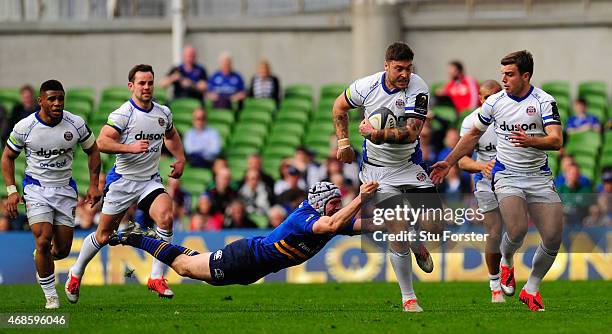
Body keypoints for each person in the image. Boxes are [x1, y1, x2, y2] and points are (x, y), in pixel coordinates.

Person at [431, 50, 564, 312]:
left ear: (526, 76)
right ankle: (506, 261)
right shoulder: (495, 103)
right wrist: (448, 161)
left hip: (538, 176)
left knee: (553, 237)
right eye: (502, 73)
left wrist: (532, 141)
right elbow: (471, 136)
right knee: (516, 230)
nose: (504, 79)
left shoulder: (544, 102)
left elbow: (557, 140)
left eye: (510, 74)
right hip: (506, 174)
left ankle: (531, 289)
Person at [66, 64, 186, 302]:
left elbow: (171, 135)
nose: (147, 87)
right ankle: (75, 272)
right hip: (122, 182)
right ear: (131, 86)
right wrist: (129, 147)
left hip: (149, 181)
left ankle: (156, 278)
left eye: (150, 82)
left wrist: (180, 158)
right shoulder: (123, 114)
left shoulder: (163, 113)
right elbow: (101, 142)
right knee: (103, 235)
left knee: (166, 216)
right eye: (142, 83)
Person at [333, 42, 439, 312]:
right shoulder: (365, 86)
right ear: (386, 66)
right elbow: (338, 106)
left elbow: (413, 132)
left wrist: (377, 134)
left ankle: (419, 239)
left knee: (433, 227)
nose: (405, 74)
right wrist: (344, 142)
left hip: (409, 165)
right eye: (399, 69)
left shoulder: (418, 87)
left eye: (408, 68)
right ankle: (409, 298)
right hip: (377, 172)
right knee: (397, 229)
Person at [108, 181, 378, 288]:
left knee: (192, 264)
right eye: (333, 204)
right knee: (184, 268)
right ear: (320, 204)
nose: (338, 208)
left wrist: (399, 219)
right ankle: (134, 236)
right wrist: (361, 198)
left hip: (253, 270)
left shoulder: (331, 218)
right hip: (245, 256)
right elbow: (332, 226)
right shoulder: (304, 217)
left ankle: (141, 236)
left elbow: (364, 224)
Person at [1, 80, 102, 309]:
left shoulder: (75, 124)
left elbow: (93, 150)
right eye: (52, 99)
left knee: (62, 250)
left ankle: (42, 257)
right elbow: (7, 157)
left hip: (65, 189)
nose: (57, 103)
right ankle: (51, 296)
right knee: (44, 239)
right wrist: (11, 190)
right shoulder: (24, 127)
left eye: (61, 99)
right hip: (36, 189)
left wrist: (94, 185)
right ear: (40, 101)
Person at [457, 79, 505, 302]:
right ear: (481, 99)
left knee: (516, 230)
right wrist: (481, 166)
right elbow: (462, 161)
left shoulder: (512, 115)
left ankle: (508, 265)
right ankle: (495, 284)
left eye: (497, 95)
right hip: (485, 182)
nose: (493, 101)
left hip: (515, 178)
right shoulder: (470, 122)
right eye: (488, 98)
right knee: (494, 233)